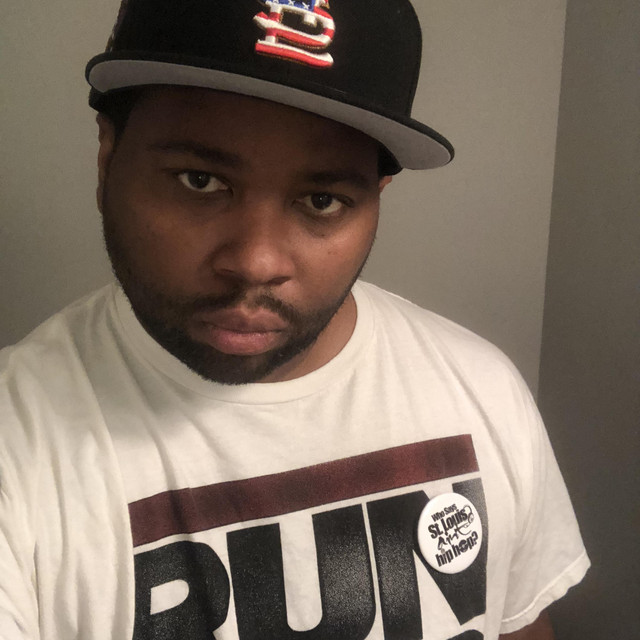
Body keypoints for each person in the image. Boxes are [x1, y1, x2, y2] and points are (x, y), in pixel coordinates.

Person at [0, 1, 589, 639]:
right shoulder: (19, 444)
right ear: (107, 158)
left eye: (322, 200)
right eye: (200, 181)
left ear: (376, 198)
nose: (256, 262)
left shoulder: (482, 391)